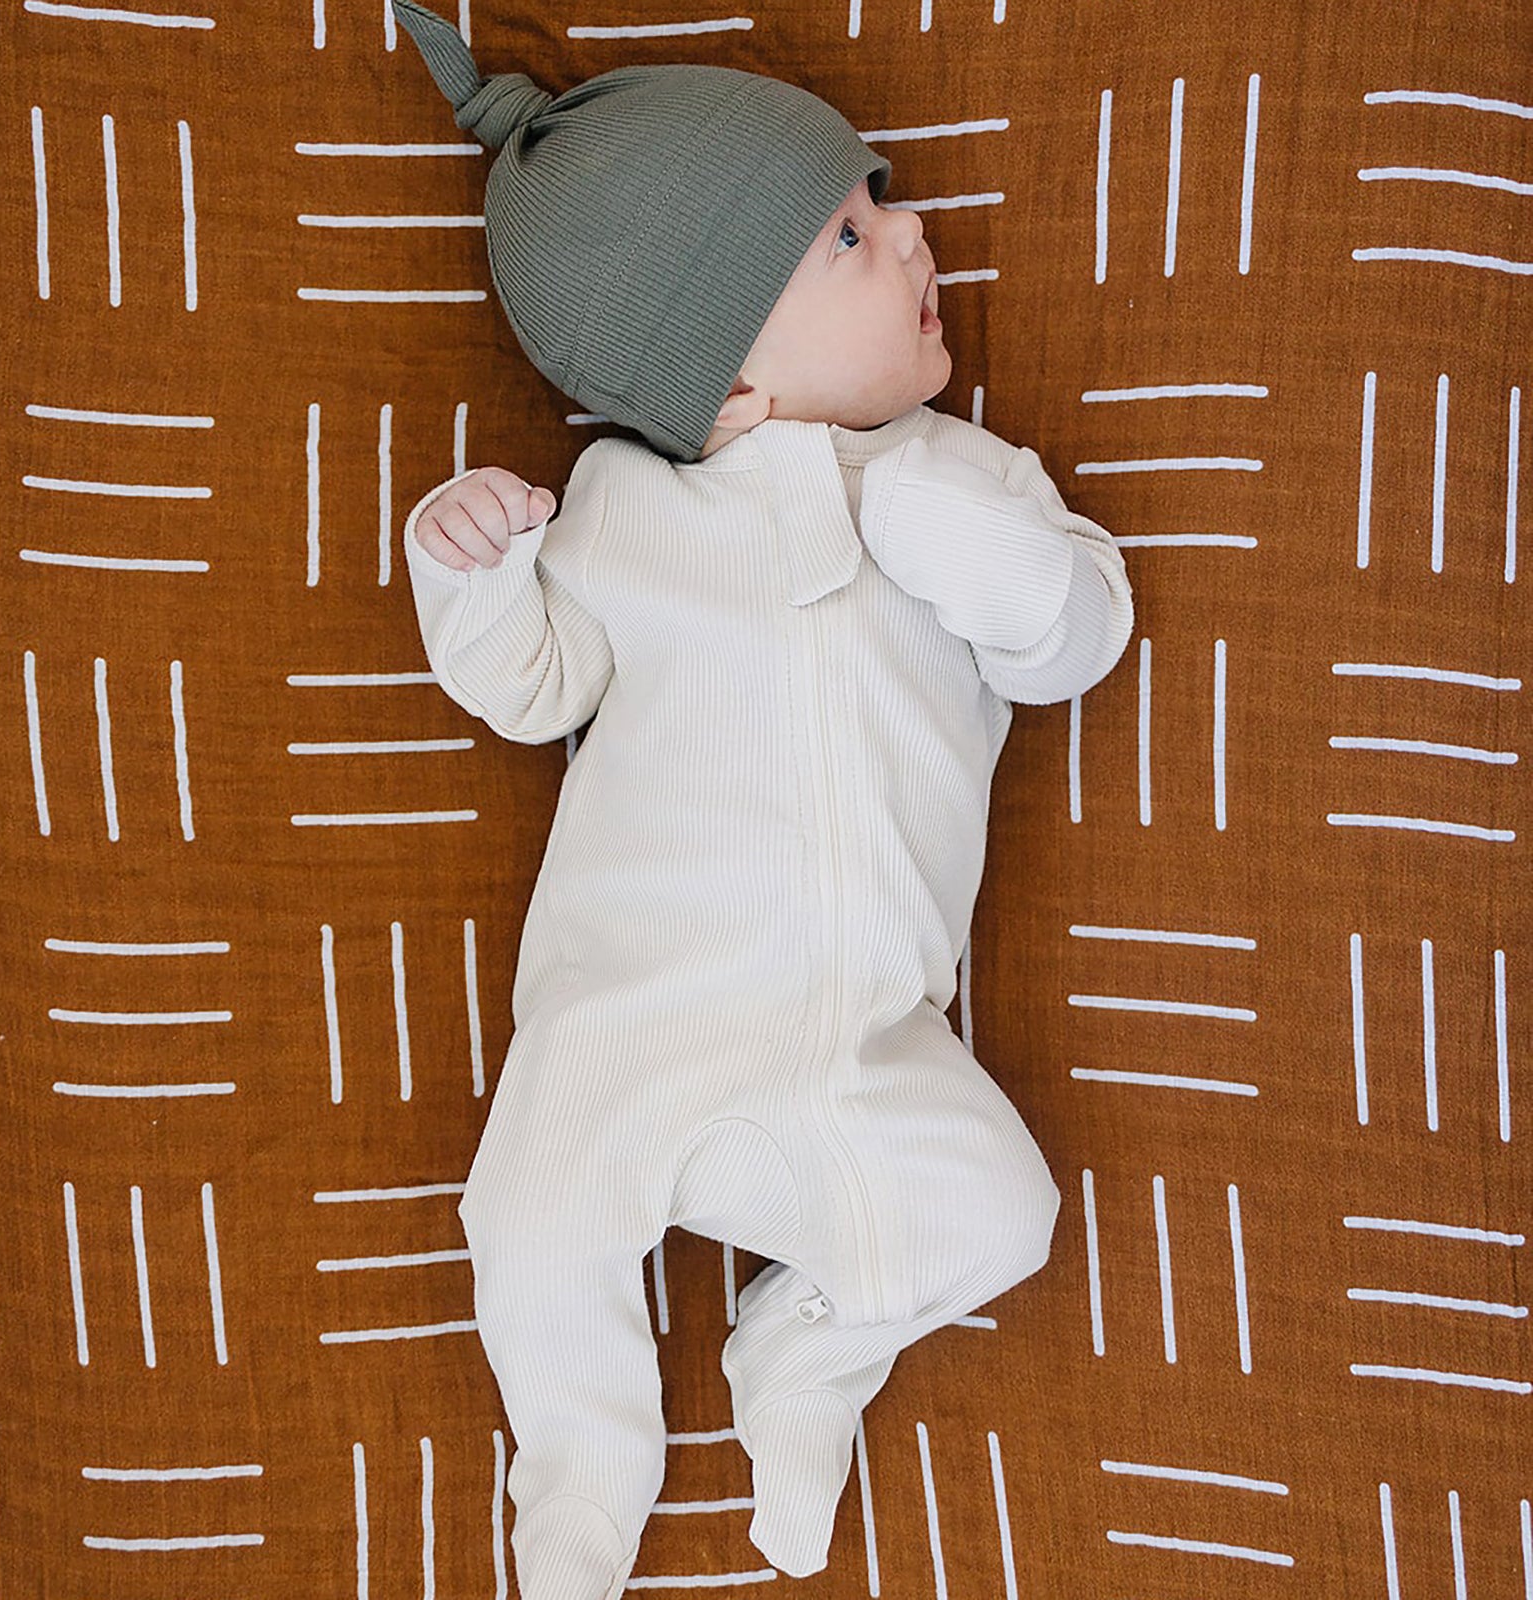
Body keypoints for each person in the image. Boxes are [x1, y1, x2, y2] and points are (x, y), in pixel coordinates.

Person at [390, 4, 1135, 1595]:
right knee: (530, 1223)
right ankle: (580, 1490)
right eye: (851, 234)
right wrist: (472, 566)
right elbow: (534, 685)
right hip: (624, 1014)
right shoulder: (624, 510)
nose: (914, 231)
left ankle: (808, 1345)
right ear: (724, 375)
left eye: (880, 200)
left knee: (1002, 1214)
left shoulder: (964, 477)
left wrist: (949, 526)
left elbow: (1076, 637)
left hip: (855, 1038)